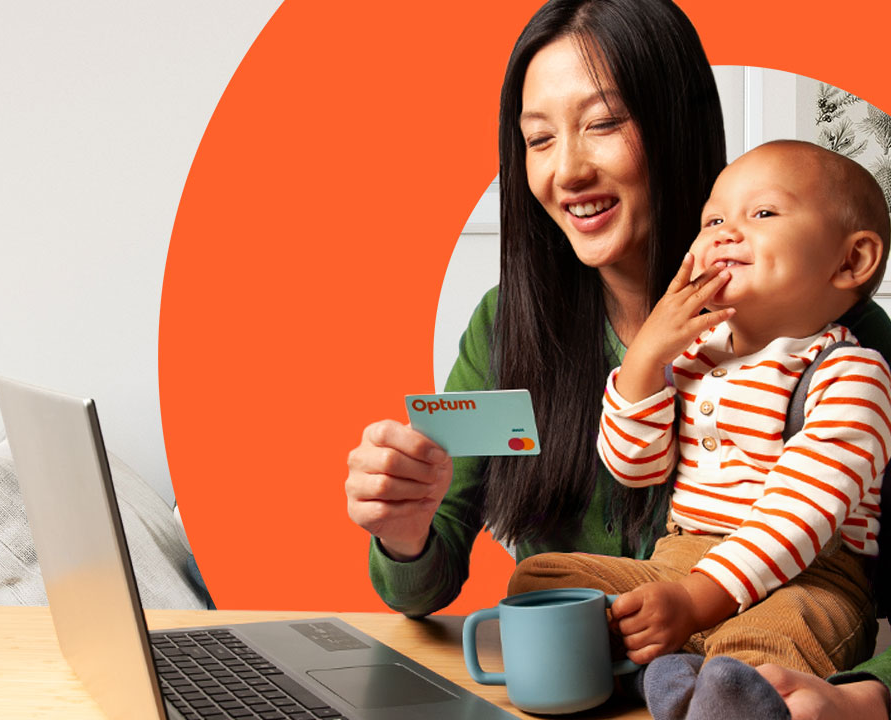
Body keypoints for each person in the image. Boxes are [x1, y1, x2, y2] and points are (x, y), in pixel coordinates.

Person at [341, 0, 891, 716]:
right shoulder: (508, 328)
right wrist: (405, 532)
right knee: (535, 582)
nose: (566, 170)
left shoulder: (836, 337)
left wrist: (864, 697)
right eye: (538, 140)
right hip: (586, 692)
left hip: (769, 660)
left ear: (676, 125)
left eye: (602, 124)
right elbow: (422, 587)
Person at [508, 139, 889, 718]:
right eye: (713, 219)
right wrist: (644, 360)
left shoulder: (850, 372)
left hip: (806, 575)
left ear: (850, 261)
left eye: (761, 214)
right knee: (543, 580)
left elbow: (797, 519)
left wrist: (694, 601)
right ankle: (679, 666)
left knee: (765, 649)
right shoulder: (695, 358)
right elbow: (635, 467)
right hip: (678, 560)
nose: (724, 233)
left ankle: (697, 677)